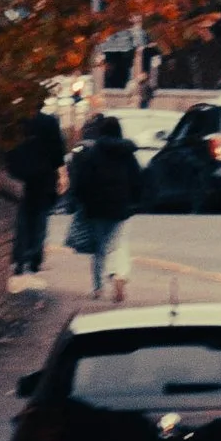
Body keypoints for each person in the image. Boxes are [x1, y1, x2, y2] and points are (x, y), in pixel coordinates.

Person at [65, 111, 142, 303]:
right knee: (118, 244)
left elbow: (83, 181)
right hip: (121, 207)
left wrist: (79, 201)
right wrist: (135, 201)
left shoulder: (93, 153)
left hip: (97, 208)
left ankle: (98, 288)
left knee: (100, 248)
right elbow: (137, 179)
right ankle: (119, 276)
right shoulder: (127, 153)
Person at [2, 103, 66, 285]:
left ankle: (19, 257)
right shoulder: (49, 122)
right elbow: (57, 152)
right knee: (40, 215)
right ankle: (34, 257)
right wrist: (62, 174)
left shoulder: (14, 121)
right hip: (43, 176)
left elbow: (7, 149)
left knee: (21, 216)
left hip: (18, 174)